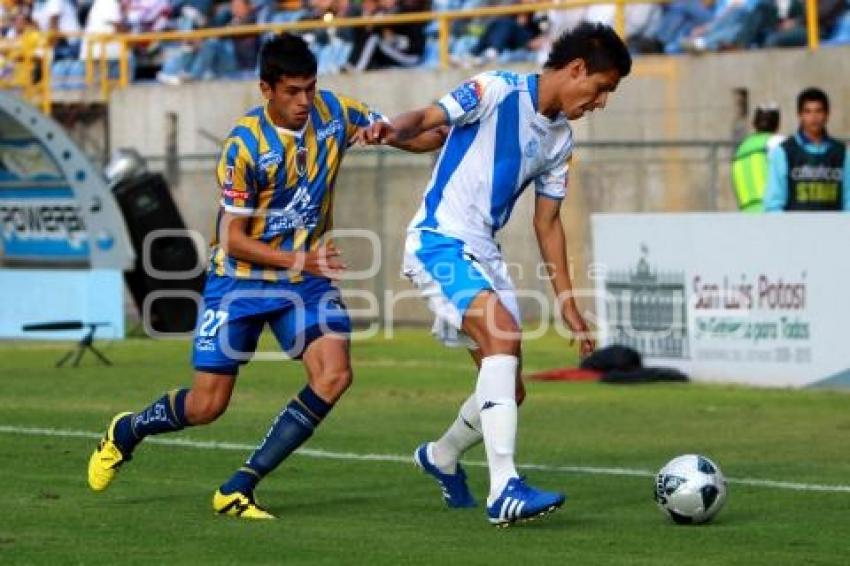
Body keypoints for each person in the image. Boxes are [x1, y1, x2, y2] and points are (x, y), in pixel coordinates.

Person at [87, 32, 445, 519]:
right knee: (207, 407)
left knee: (335, 374)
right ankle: (127, 431)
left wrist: (401, 134)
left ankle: (240, 485)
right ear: (266, 88)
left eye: (310, 88)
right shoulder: (244, 147)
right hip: (240, 281)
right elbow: (232, 238)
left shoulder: (336, 111)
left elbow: (424, 138)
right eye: (292, 91)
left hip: (304, 281)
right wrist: (302, 260)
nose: (304, 101)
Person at [363, 22, 628, 526]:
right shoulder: (496, 89)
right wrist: (390, 128)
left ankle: (440, 456)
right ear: (576, 70)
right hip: (439, 240)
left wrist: (568, 302)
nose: (601, 102)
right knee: (502, 340)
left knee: (509, 388)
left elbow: (547, 224)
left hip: (485, 254)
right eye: (601, 88)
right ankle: (503, 488)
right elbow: (427, 117)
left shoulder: (561, 140)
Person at [765, 87, 850, 211]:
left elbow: (848, 199)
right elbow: (774, 203)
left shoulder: (841, 153)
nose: (813, 117)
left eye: (819, 111)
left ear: (827, 115)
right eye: (808, 111)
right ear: (800, 115)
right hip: (795, 228)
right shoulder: (783, 152)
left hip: (832, 228)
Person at [731, 103, 783, 212]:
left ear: (754, 123)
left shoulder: (741, 150)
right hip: (771, 214)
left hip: (746, 215)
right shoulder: (778, 143)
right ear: (777, 124)